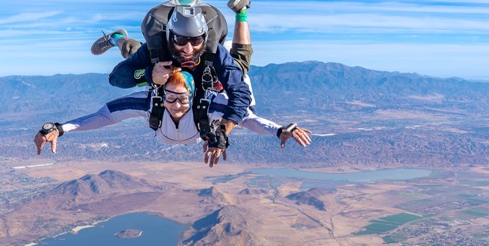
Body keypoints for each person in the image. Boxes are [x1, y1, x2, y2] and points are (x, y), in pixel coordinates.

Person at [100, 0, 259, 166]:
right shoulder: (159, 48)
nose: (188, 49)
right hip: (160, 69)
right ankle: (116, 37)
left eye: (196, 40)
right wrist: (148, 74)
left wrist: (223, 131)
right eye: (181, 40)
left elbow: (240, 93)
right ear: (170, 36)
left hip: (204, 79)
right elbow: (116, 78)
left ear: (205, 38)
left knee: (238, 68)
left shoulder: (214, 52)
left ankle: (241, 11)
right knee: (135, 52)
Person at [34, 70, 311, 167]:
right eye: (170, 98)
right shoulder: (149, 102)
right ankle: (119, 38)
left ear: (192, 95)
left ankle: (241, 13)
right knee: (133, 55)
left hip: (189, 135)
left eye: (182, 99)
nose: (176, 105)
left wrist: (278, 131)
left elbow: (246, 118)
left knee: (240, 65)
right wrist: (61, 128)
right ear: (160, 93)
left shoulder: (208, 103)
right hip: (173, 133)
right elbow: (104, 117)